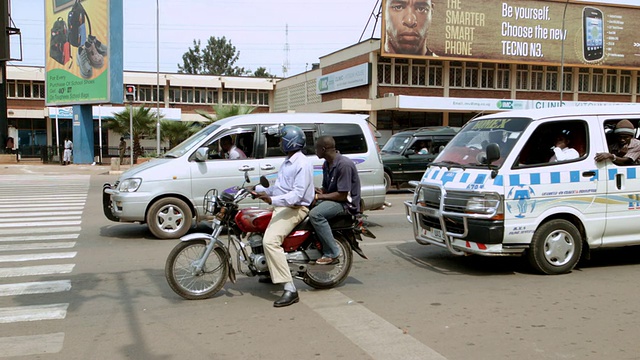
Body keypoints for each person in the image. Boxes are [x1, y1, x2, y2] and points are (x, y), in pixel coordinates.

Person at [253, 125, 314, 307]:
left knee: (270, 241)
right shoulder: (288, 161)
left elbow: (296, 195)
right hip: (285, 205)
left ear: (289, 141)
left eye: (281, 139)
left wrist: (271, 199)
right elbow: (281, 189)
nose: (279, 142)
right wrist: (258, 190)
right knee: (256, 228)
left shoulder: (301, 164)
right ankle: (268, 271)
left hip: (296, 208)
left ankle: (290, 289)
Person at [310, 136, 361, 265]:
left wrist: (319, 197)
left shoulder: (344, 165)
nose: (315, 151)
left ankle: (332, 252)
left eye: (316, 148)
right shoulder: (326, 164)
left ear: (323, 149)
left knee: (316, 214)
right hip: (336, 200)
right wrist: (317, 192)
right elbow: (327, 189)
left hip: (346, 204)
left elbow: (342, 195)